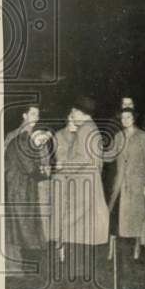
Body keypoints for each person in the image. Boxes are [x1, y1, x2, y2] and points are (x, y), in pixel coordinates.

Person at [50, 96, 110, 257]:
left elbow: (83, 158)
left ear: (83, 113)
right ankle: (74, 258)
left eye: (74, 111)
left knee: (73, 220)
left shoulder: (84, 129)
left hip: (82, 182)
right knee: (82, 223)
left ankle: (68, 257)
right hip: (90, 180)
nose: (71, 113)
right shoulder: (92, 128)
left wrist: (64, 167)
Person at [4, 118, 51, 268]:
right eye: (42, 137)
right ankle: (25, 269)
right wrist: (50, 173)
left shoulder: (28, 143)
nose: (43, 141)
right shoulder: (22, 143)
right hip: (18, 191)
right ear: (35, 132)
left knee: (25, 230)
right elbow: (31, 169)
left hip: (24, 190)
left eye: (46, 140)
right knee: (24, 230)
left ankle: (27, 268)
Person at [107, 108, 145, 256]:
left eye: (128, 117)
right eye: (122, 118)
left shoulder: (143, 136)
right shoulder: (118, 136)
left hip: (137, 184)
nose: (125, 120)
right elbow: (110, 156)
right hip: (121, 183)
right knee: (116, 215)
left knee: (137, 218)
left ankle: (137, 248)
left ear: (134, 119)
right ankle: (114, 250)